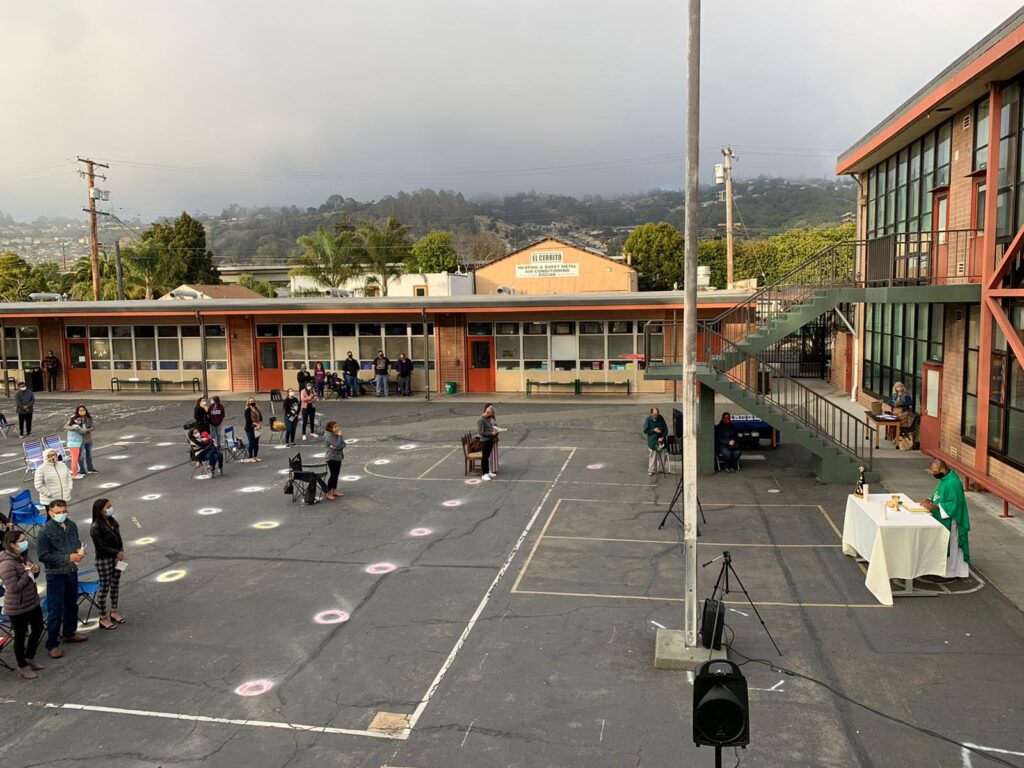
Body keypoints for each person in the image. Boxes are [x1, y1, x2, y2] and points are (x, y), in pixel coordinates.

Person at [35, 500, 88, 658]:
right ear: (50, 513)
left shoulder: (71, 525)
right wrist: (68, 558)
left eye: (64, 511)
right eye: (58, 512)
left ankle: (69, 632)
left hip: (71, 571)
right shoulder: (45, 532)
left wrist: (79, 552)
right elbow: (43, 556)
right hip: (55, 575)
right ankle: (52, 643)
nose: (61, 515)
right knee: (55, 610)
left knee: (71, 604)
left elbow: (76, 541)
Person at [0, 528, 45, 679]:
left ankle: (30, 656)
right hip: (17, 606)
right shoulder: (6, 564)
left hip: (32, 601)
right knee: (20, 636)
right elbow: (13, 588)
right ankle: (22, 665)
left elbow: (33, 572)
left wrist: (35, 570)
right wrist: (28, 573)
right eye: (22, 540)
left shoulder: (24, 555)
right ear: (12, 544)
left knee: (38, 628)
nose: (25, 542)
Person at [921, 459, 971, 580]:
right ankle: (940, 568)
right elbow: (937, 495)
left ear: (942, 470)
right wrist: (930, 500)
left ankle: (950, 572)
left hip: (952, 519)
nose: (934, 474)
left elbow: (955, 503)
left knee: (952, 544)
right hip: (942, 515)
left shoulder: (953, 482)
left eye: (935, 471)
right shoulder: (944, 479)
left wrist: (937, 506)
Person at [90, 498, 126, 630]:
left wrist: (120, 552)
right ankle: (103, 617)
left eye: (110, 506)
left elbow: (119, 539)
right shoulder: (95, 527)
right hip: (104, 560)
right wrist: (115, 553)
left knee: (115, 584)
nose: (110, 508)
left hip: (117, 557)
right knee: (104, 588)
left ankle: (114, 611)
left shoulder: (111, 521)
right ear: (100, 510)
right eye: (107, 507)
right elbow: (100, 547)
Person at [642, 407, 669, 476]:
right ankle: (651, 470)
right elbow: (645, 430)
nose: (656, 415)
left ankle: (660, 469)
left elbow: (665, 429)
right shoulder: (648, 419)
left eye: (657, 414)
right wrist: (653, 430)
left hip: (660, 440)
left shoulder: (661, 418)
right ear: (651, 414)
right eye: (654, 414)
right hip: (653, 441)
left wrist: (662, 437)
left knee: (662, 454)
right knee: (653, 455)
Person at [324, 421, 346, 500]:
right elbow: (337, 444)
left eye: (337, 426)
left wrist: (339, 446)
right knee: (333, 475)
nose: (338, 428)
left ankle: (334, 490)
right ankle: (328, 492)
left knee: (336, 475)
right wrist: (340, 437)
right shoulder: (329, 436)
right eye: (335, 427)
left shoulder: (335, 434)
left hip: (337, 457)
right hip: (331, 458)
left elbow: (343, 444)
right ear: (330, 428)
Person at [72, 405, 97, 475]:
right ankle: (82, 471)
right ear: (78, 412)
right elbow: (71, 426)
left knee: (89, 454)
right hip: (80, 439)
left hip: (88, 439)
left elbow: (92, 427)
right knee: (81, 456)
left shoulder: (89, 418)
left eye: (83, 410)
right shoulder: (75, 418)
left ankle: (90, 468)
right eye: (80, 410)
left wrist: (86, 430)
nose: (82, 411)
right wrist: (80, 430)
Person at [478, 405, 498, 480]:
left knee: (488, 456)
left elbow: (489, 428)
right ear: (487, 412)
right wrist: (491, 433)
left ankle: (488, 471)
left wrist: (494, 430)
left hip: (490, 440)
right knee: (485, 458)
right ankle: (484, 474)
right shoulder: (481, 420)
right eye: (490, 414)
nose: (490, 415)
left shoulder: (487, 419)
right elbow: (481, 432)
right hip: (485, 441)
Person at [65, 413, 86, 481]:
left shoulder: (71, 426)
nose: (79, 421)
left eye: (80, 420)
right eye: (78, 420)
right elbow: (84, 432)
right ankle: (74, 474)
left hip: (73, 444)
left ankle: (75, 472)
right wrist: (83, 425)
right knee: (75, 460)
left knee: (74, 459)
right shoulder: (76, 427)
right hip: (74, 444)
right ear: (74, 420)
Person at [244, 397, 263, 462]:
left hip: (257, 428)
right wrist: (256, 424)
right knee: (251, 443)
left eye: (253, 401)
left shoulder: (257, 409)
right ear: (248, 402)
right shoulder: (247, 410)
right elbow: (248, 420)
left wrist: (259, 424)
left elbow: (261, 418)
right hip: (250, 428)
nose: (252, 402)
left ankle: (255, 456)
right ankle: (250, 457)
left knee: (256, 443)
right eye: (251, 401)